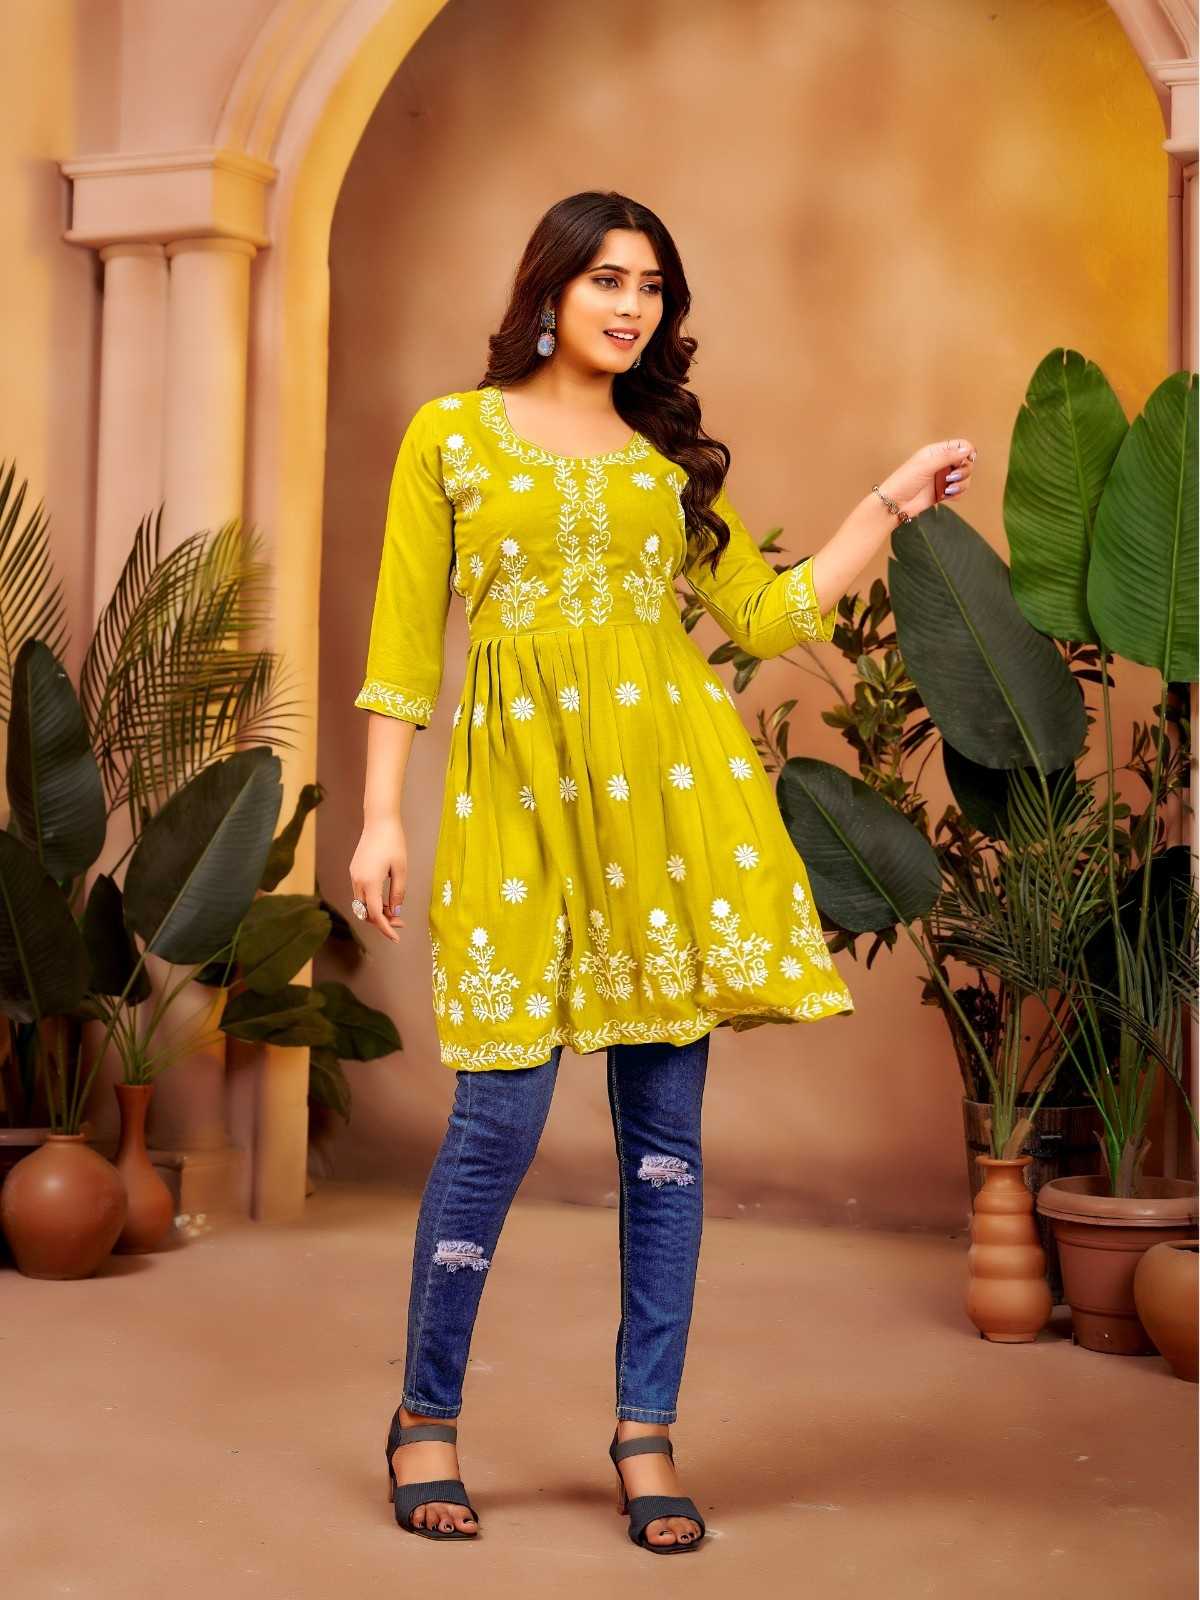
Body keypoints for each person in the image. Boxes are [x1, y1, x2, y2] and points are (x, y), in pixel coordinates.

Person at [348, 190, 976, 1552]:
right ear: (549, 290)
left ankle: (647, 1434)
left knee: (665, 1143)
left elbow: (770, 612)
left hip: (668, 818)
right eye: (607, 281)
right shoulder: (451, 436)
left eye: (652, 288)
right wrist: (381, 818)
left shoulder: (661, 463)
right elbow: (401, 646)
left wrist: (889, 500)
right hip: (519, 814)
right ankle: (424, 1415)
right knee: (496, 1124)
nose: (631, 308)